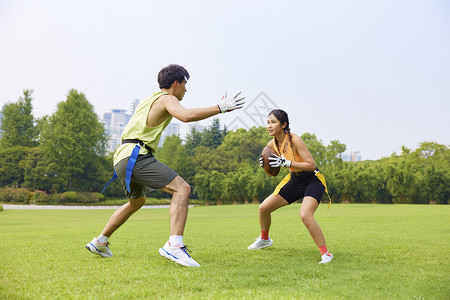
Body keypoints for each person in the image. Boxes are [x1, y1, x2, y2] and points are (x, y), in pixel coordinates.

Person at [86, 64, 245, 267]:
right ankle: (174, 246)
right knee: (182, 189)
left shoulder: (149, 99)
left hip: (122, 158)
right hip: (136, 155)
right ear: (176, 83)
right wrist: (220, 108)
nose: (186, 89)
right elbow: (185, 116)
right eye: (185, 84)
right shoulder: (167, 98)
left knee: (137, 202)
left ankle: (100, 241)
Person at [247, 109, 333, 264]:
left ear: (284, 124)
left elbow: (311, 165)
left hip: (312, 179)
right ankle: (265, 239)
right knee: (263, 208)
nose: (269, 126)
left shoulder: (295, 140)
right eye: (268, 122)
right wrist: (265, 166)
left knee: (305, 214)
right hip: (295, 179)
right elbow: (272, 173)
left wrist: (288, 163)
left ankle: (326, 254)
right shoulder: (271, 145)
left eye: (273, 122)